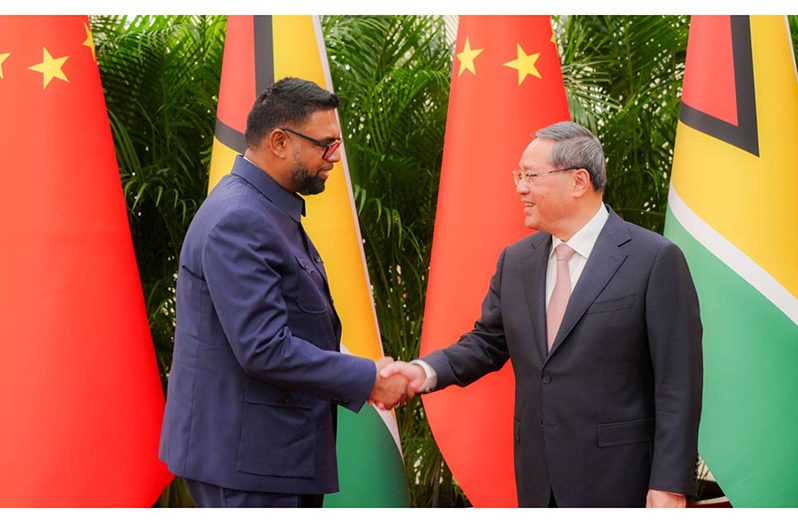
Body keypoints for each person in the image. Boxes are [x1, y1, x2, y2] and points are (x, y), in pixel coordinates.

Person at [384, 121, 703, 508]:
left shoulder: (653, 259)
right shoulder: (517, 261)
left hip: (622, 482)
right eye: (519, 176)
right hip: (539, 482)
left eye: (531, 176)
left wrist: (669, 485)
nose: (520, 188)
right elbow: (486, 343)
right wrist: (422, 372)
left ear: (579, 181)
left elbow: (678, 383)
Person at [159, 77, 408, 508]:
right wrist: (367, 378)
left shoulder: (266, 208)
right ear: (279, 141)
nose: (335, 158)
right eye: (325, 145)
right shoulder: (240, 219)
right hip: (246, 462)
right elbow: (263, 348)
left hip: (270, 455)